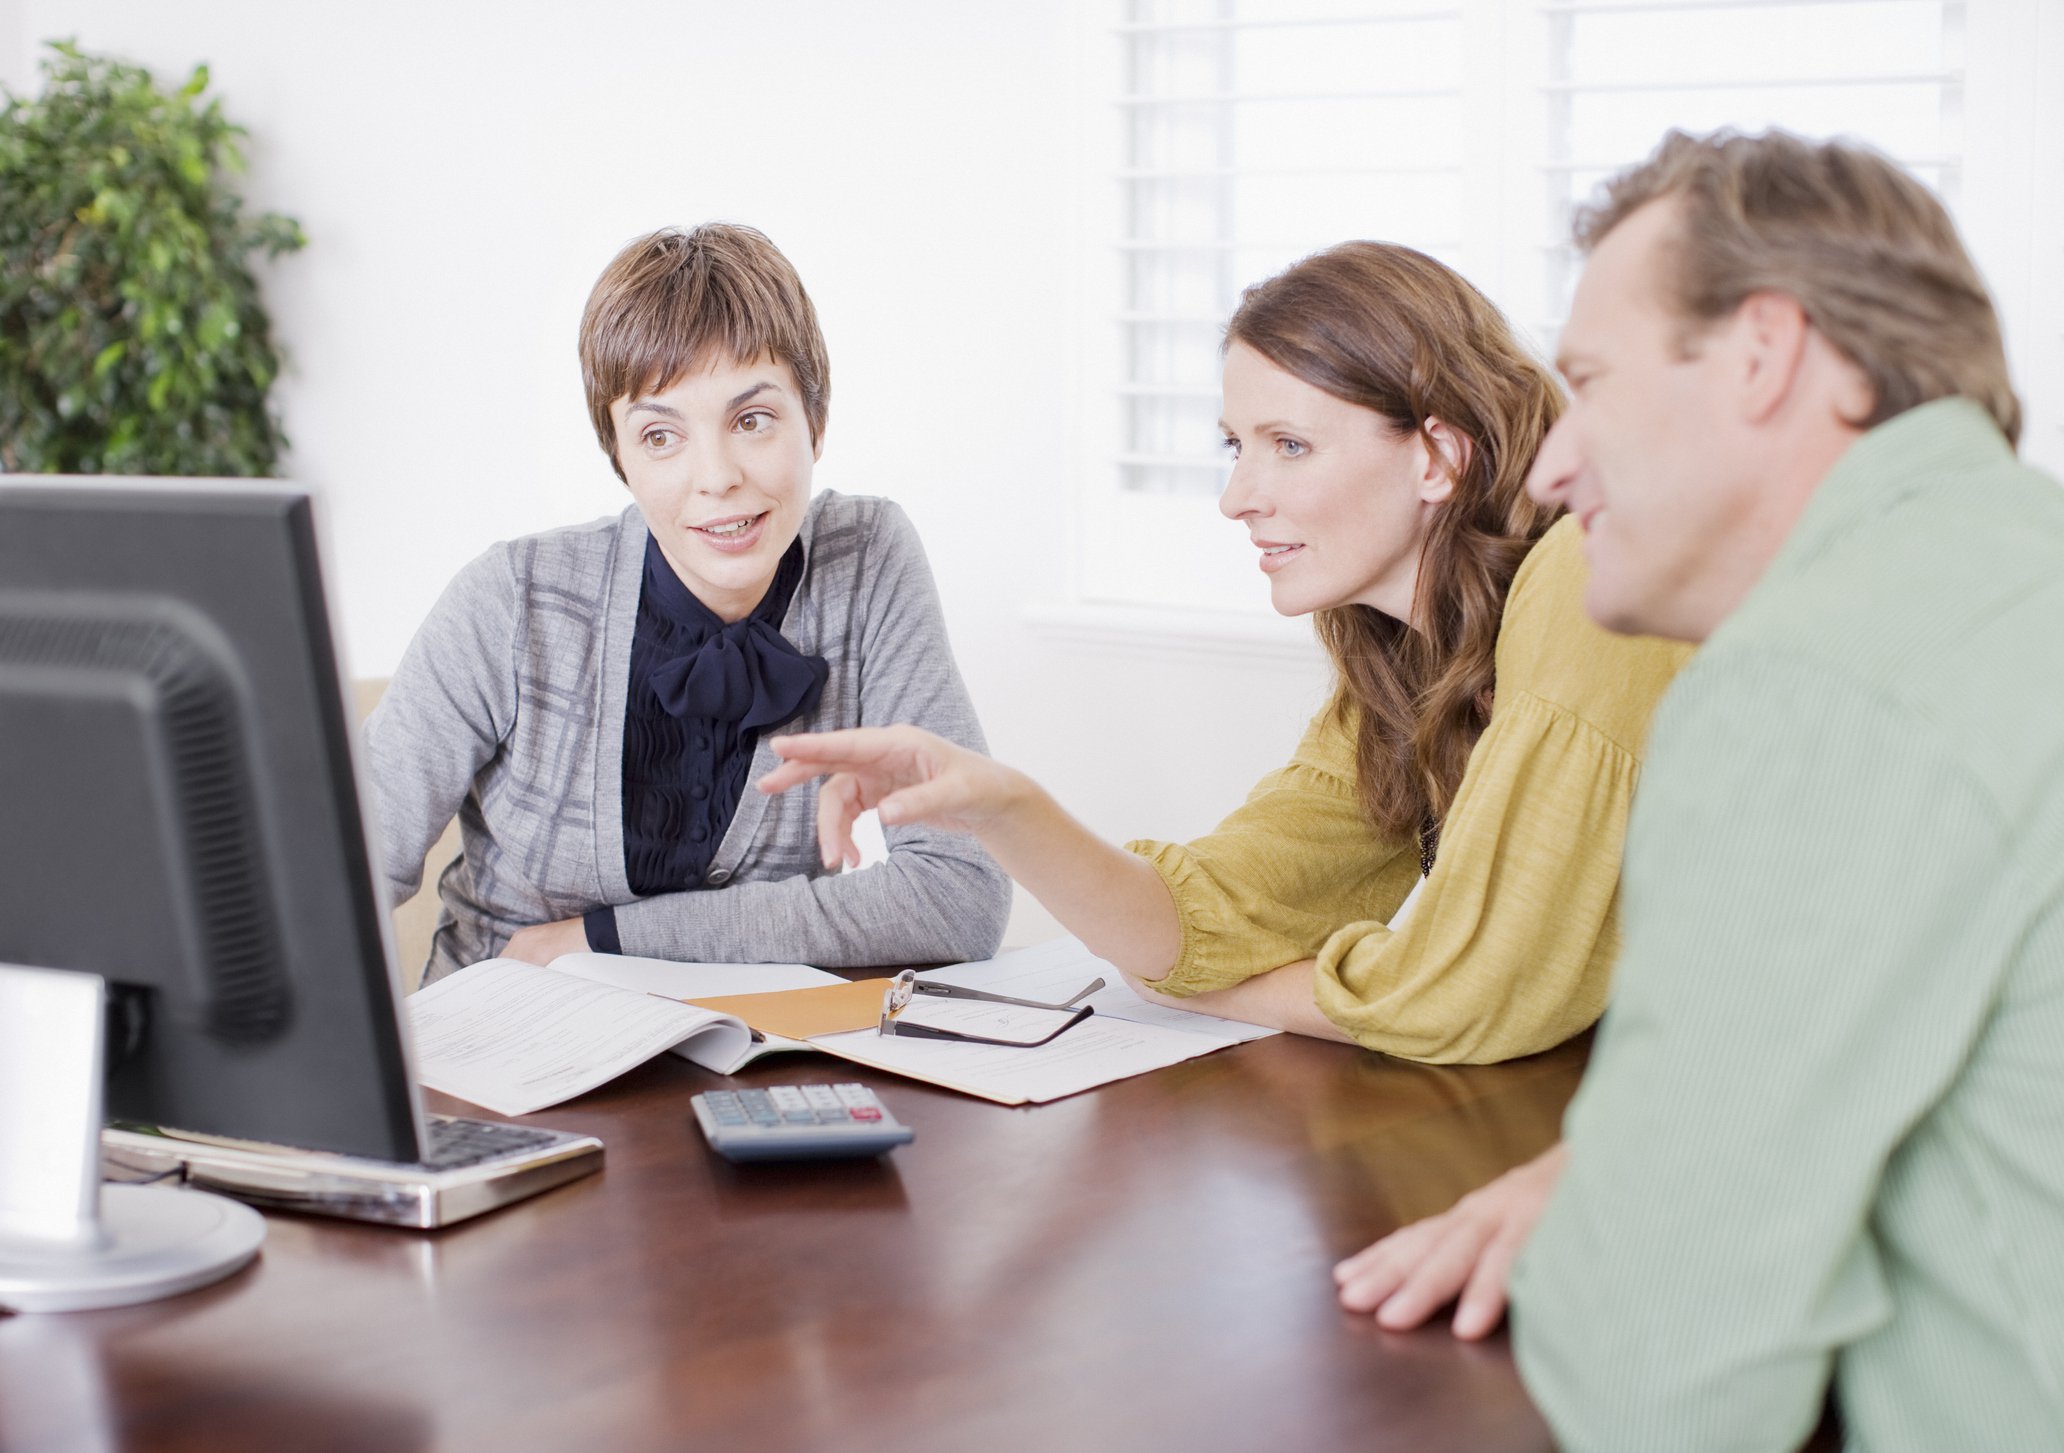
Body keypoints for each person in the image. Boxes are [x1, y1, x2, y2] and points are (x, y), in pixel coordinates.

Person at [1341, 128, 2064, 1450]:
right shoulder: (2019, 572)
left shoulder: (1815, 672)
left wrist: (1635, 1198)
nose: (1550, 468)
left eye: (1592, 383)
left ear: (1762, 352)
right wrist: (1626, 1156)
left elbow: (1671, 1379)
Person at [758, 243, 1688, 1060]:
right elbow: (1201, 918)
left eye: (1290, 444)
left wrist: (1225, 990)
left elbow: (1469, 995)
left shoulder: (1588, 575)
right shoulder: (1402, 664)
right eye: (1237, 445)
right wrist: (1001, 806)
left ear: (1438, 457)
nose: (1237, 496)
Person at [365, 224, 1009, 984]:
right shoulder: (512, 602)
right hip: (506, 1035)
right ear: (620, 456)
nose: (716, 477)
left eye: (751, 420)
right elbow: (338, 878)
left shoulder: (865, 559)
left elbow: (960, 892)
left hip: (747, 1044)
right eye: (660, 435)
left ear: (816, 422)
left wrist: (604, 938)